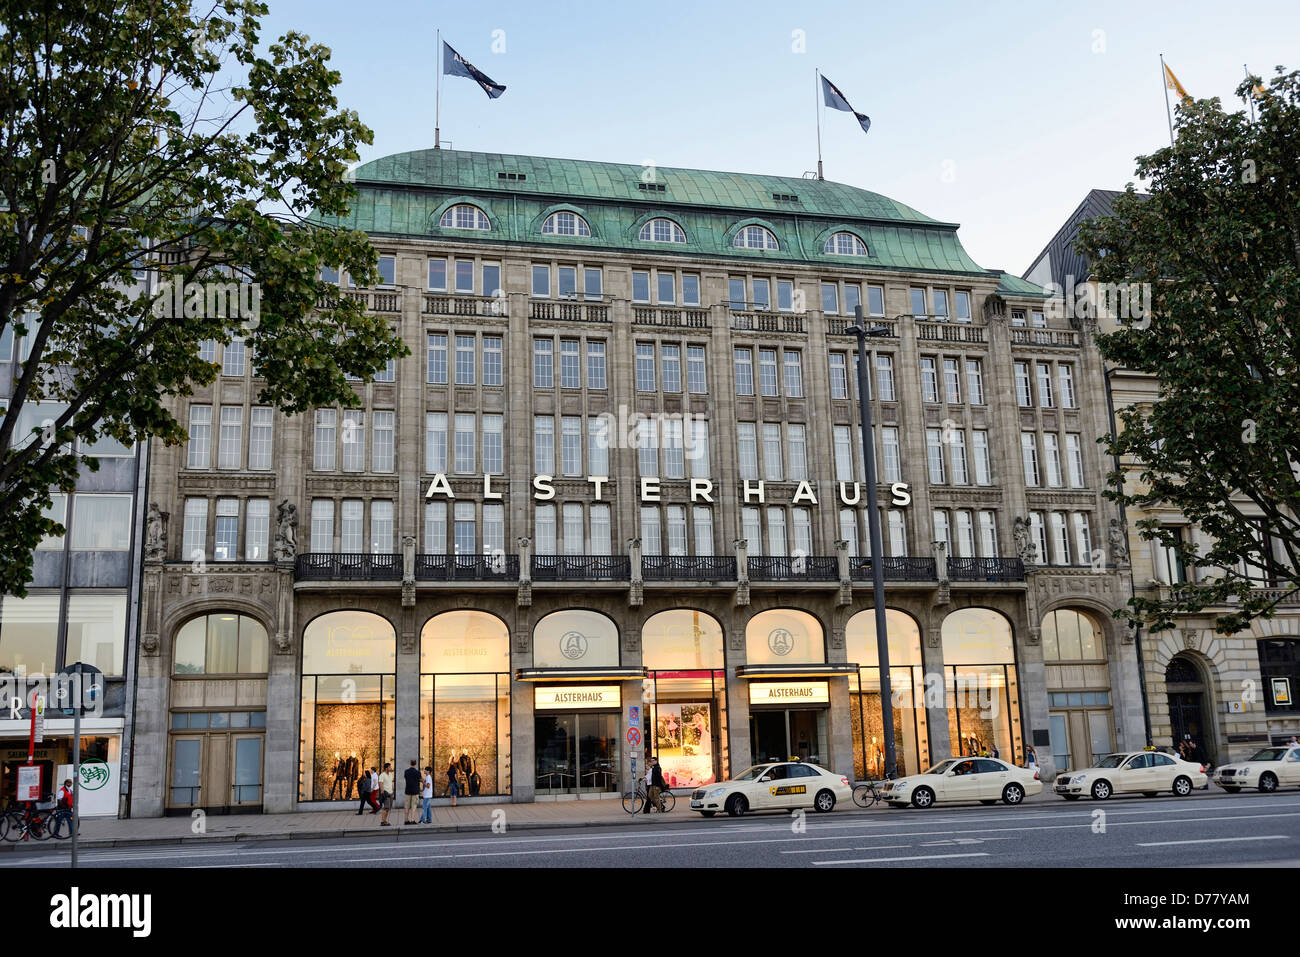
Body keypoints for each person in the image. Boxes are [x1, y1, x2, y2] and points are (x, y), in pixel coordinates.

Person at [403, 759, 422, 824]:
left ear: (410, 763)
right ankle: (412, 820)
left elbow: (405, 778)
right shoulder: (417, 772)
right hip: (415, 791)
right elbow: (420, 779)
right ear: (415, 764)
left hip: (407, 790)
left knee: (407, 806)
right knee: (413, 806)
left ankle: (406, 820)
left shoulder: (406, 771)